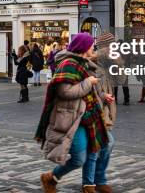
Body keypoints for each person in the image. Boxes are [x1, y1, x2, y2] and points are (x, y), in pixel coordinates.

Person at [36, 33, 114, 193]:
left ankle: (91, 184)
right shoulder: (68, 64)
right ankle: (51, 177)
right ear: (84, 48)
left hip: (90, 115)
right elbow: (65, 92)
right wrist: (88, 82)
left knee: (102, 145)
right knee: (79, 158)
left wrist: (102, 95)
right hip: (73, 118)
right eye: (92, 45)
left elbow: (89, 90)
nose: (94, 48)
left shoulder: (85, 63)